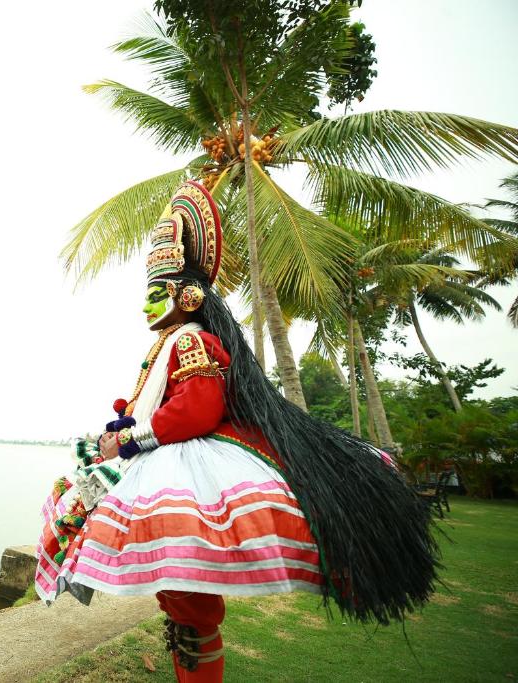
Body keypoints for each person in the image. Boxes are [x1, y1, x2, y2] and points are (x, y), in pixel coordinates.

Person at [34, 180, 437, 683]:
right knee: (181, 592)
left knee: (187, 591)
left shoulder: (192, 342)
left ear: (186, 294)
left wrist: (133, 438)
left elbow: (198, 409)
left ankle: (195, 652)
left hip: (185, 461)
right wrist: (121, 431)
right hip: (174, 459)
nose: (145, 306)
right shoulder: (176, 342)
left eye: (155, 293)